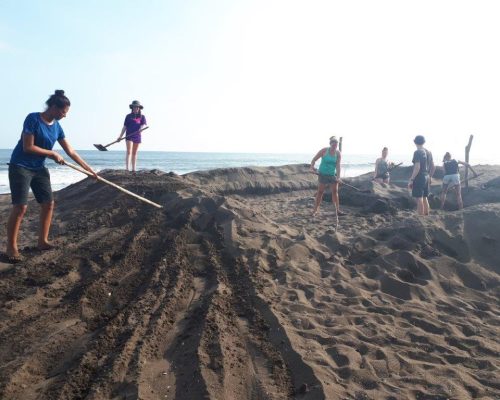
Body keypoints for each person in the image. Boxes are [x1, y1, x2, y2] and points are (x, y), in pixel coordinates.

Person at [6, 90, 97, 262]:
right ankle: (11, 247)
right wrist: (52, 154)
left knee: (48, 204)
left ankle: (42, 241)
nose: (65, 115)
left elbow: (70, 151)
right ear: (54, 107)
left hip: (39, 168)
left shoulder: (57, 126)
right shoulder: (33, 119)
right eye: (63, 112)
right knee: (20, 207)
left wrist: (88, 170)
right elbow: (28, 147)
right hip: (20, 166)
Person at [310, 136, 342, 215]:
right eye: (333, 145)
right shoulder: (324, 151)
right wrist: (311, 167)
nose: (335, 146)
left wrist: (338, 177)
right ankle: (315, 210)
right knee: (320, 192)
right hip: (322, 174)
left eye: (336, 145)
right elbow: (314, 159)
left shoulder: (338, 153)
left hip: (332, 175)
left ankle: (337, 210)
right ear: (330, 144)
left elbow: (338, 166)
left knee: (335, 191)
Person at [408, 135, 435, 216]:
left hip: (419, 177)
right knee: (424, 197)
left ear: (415, 142)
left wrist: (412, 179)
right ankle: (426, 215)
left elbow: (417, 167)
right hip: (426, 176)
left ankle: (421, 217)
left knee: (419, 198)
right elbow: (433, 166)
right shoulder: (429, 152)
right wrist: (430, 176)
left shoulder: (417, 152)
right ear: (424, 142)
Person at [118, 100, 147, 171]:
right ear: (132, 108)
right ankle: (127, 169)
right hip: (129, 136)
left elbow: (143, 125)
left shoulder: (142, 117)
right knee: (129, 152)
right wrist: (120, 136)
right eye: (134, 107)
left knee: (134, 153)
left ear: (139, 108)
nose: (136, 108)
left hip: (137, 136)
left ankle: (134, 169)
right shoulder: (128, 116)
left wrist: (141, 129)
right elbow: (124, 127)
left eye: (137, 107)